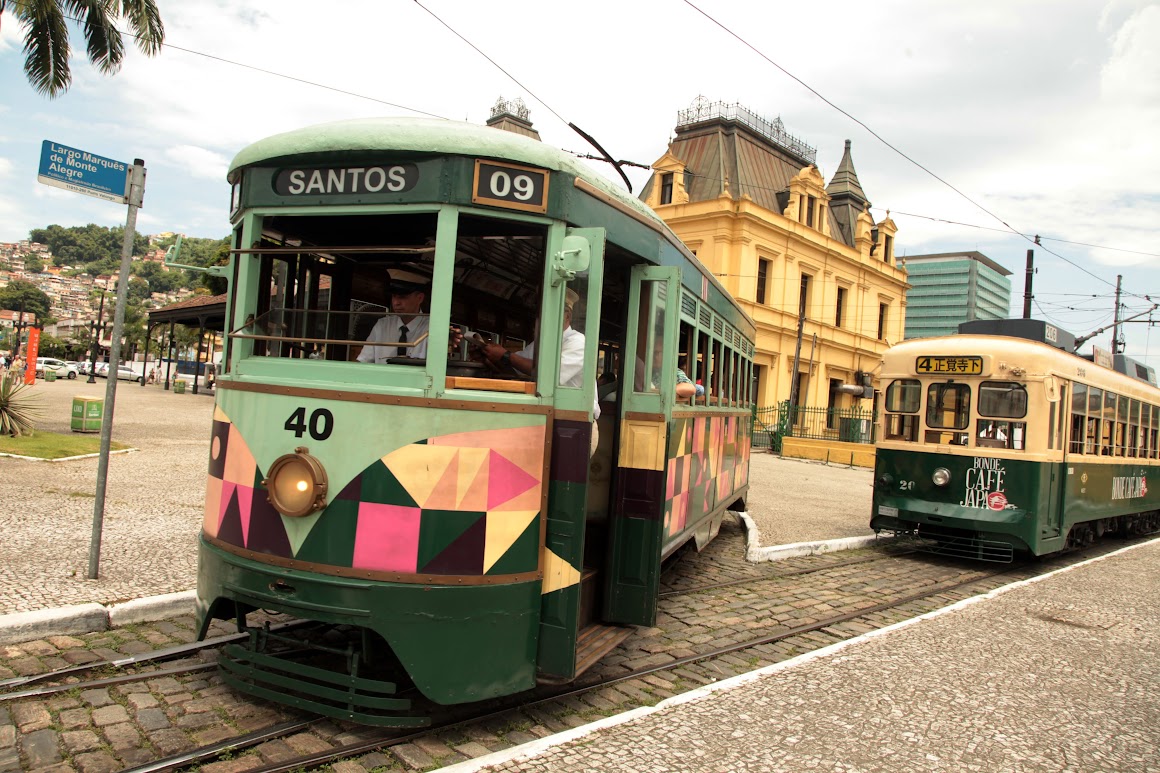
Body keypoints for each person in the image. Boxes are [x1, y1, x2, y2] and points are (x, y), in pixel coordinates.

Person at [479, 288, 600, 452]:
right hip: (550, 420)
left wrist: (505, 355)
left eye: (549, 312)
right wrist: (489, 355)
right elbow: (519, 366)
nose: (542, 319)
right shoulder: (541, 342)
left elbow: (548, 374)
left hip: (575, 423)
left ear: (567, 316)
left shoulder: (578, 342)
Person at [357, 269, 432, 363]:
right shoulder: (382, 326)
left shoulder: (432, 328)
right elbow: (363, 362)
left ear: (420, 298)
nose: (396, 303)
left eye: (402, 297)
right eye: (394, 296)